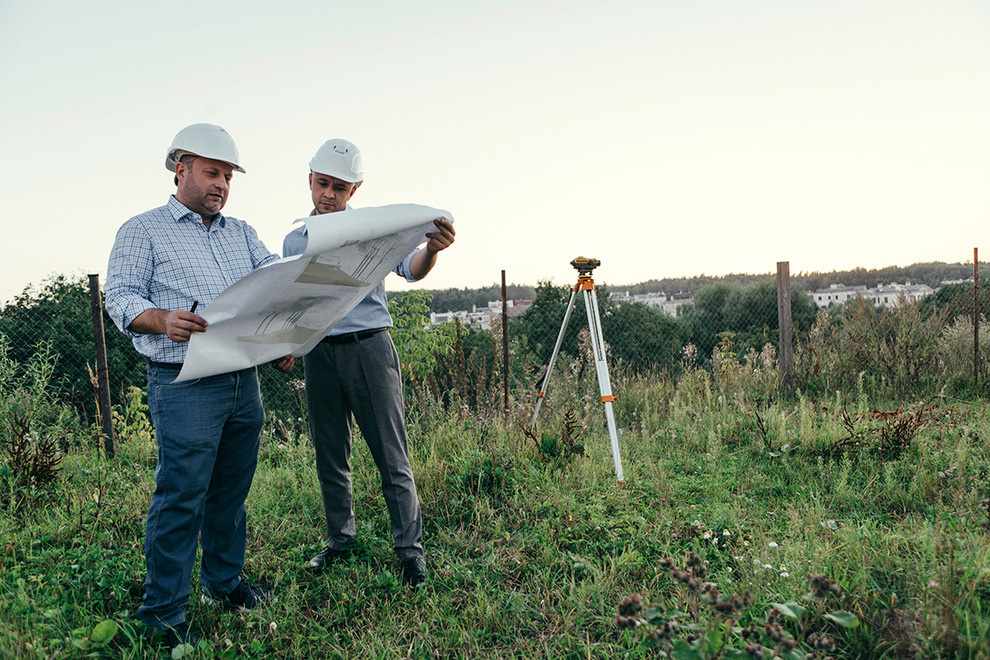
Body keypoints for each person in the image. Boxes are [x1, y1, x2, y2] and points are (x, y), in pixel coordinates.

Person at [105, 123, 294, 649]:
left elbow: (275, 285)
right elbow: (118, 295)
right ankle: (162, 614)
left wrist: (282, 339)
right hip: (184, 384)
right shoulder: (142, 231)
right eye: (213, 172)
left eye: (228, 176)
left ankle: (224, 584)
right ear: (179, 168)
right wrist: (160, 318)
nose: (222, 185)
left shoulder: (241, 234)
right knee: (181, 496)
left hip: (243, 380)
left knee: (230, 495)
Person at [283, 139, 455, 588]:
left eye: (339, 187)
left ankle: (410, 554)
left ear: (354, 190)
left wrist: (433, 248)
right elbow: (293, 301)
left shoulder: (376, 229)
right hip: (319, 352)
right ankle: (341, 542)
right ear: (310, 181)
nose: (328, 194)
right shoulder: (295, 238)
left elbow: (411, 269)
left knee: (390, 454)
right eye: (322, 184)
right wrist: (287, 343)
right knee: (329, 453)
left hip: (370, 349)